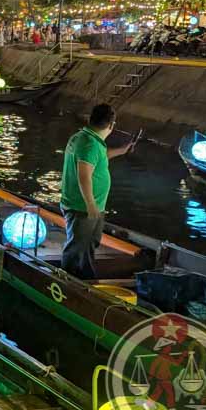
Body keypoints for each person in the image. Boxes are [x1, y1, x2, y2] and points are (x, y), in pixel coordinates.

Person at [59, 103, 134, 279]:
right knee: (77, 246)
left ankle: (85, 277)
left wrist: (122, 151)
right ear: (111, 125)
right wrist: (91, 204)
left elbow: (98, 157)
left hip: (92, 205)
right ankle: (66, 280)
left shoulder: (85, 138)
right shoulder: (90, 144)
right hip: (82, 207)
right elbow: (84, 175)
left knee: (89, 243)